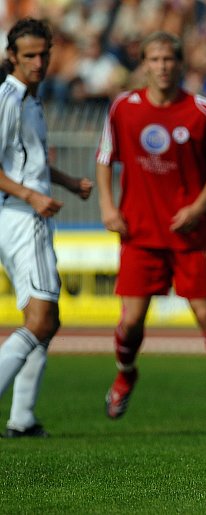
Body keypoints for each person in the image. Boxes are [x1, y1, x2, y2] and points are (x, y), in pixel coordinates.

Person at [95, 31, 206, 423]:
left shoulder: (201, 111)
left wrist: (198, 208)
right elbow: (104, 158)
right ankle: (125, 376)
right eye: (154, 59)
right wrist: (108, 207)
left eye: (169, 59)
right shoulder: (123, 108)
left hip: (187, 234)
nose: (162, 66)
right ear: (144, 64)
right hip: (140, 232)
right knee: (131, 321)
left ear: (179, 64)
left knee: (204, 314)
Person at [0, 18, 94, 438]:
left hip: (20, 212)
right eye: (29, 56)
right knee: (42, 320)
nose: (39, 62)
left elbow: (26, 162)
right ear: (11, 58)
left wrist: (68, 182)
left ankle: (22, 419)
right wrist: (32, 196)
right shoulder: (8, 99)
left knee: (38, 319)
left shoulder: (32, 101)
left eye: (44, 54)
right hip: (20, 218)